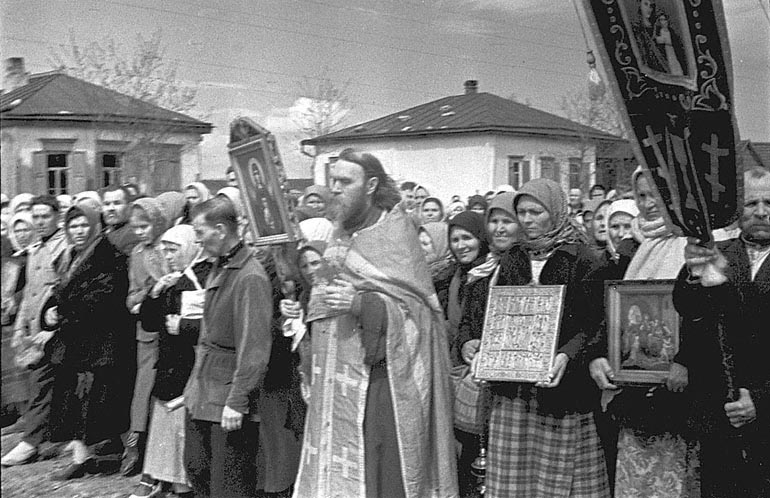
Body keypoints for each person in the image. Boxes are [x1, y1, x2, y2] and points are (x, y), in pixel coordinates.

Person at [294, 148, 457, 498]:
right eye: (332, 181)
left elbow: (419, 314)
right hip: (335, 375)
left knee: (382, 472)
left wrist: (359, 304)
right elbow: (322, 296)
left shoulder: (394, 233)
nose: (334, 189)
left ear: (370, 185)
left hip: (382, 381)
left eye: (345, 181)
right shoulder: (339, 232)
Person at [466, 178, 609, 498]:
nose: (527, 220)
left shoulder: (583, 259)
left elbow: (595, 323)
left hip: (561, 393)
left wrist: (567, 354)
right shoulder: (513, 259)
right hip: (514, 394)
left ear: (556, 211)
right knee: (514, 484)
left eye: (536, 212)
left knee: (561, 482)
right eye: (523, 213)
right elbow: (499, 316)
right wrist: (481, 349)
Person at [588, 168, 693, 498]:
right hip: (636, 391)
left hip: (679, 394)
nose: (649, 205)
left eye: (658, 195)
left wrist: (686, 360)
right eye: (642, 195)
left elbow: (705, 315)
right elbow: (616, 314)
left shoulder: (696, 244)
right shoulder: (636, 248)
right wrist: (601, 355)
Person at [673, 166, 770, 498]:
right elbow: (691, 312)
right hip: (721, 408)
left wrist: (759, 399)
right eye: (751, 203)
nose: (760, 212)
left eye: (769, 203)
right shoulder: (720, 252)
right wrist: (695, 269)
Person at [184, 196, 274, 498]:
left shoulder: (250, 277)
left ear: (220, 230)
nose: (197, 241)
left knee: (229, 484)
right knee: (198, 468)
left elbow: (254, 348)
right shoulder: (220, 266)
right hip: (204, 390)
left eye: (200, 232)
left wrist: (237, 400)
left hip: (228, 395)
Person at [41, 203, 134, 480]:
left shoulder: (108, 254)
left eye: (84, 225)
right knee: (80, 400)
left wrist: (65, 312)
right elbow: (59, 291)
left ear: (94, 224)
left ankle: (105, 456)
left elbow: (104, 296)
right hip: (78, 341)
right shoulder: (71, 256)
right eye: (73, 226)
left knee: (100, 400)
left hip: (102, 342)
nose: (79, 231)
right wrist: (49, 313)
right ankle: (87, 457)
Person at [128, 224, 210, 498]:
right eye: (165, 251)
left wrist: (184, 326)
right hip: (169, 364)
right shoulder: (168, 280)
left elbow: (210, 321)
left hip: (191, 365)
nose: (169, 257)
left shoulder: (202, 277)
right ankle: (172, 483)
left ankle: (184, 486)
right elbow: (150, 323)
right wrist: (154, 293)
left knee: (183, 431)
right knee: (168, 430)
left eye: (174, 250)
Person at [1, 195, 69, 467]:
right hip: (34, 329)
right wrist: (20, 327)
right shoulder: (36, 247)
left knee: (43, 382)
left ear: (56, 217)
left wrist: (54, 325)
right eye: (36, 217)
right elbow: (29, 292)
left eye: (45, 217)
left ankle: (31, 442)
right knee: (39, 382)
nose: (40, 222)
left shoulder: (62, 246)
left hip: (55, 327)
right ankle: (45, 438)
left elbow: (63, 287)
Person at [123, 197, 171, 477]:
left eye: (146, 225)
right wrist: (144, 295)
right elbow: (130, 297)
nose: (140, 232)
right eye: (136, 227)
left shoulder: (171, 246)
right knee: (143, 387)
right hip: (148, 328)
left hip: (173, 326)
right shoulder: (137, 254)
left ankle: (161, 453)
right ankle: (135, 442)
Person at [103, 185, 141, 256]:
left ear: (129, 206)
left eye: (117, 203)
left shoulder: (133, 235)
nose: (111, 208)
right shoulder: (104, 232)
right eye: (107, 204)